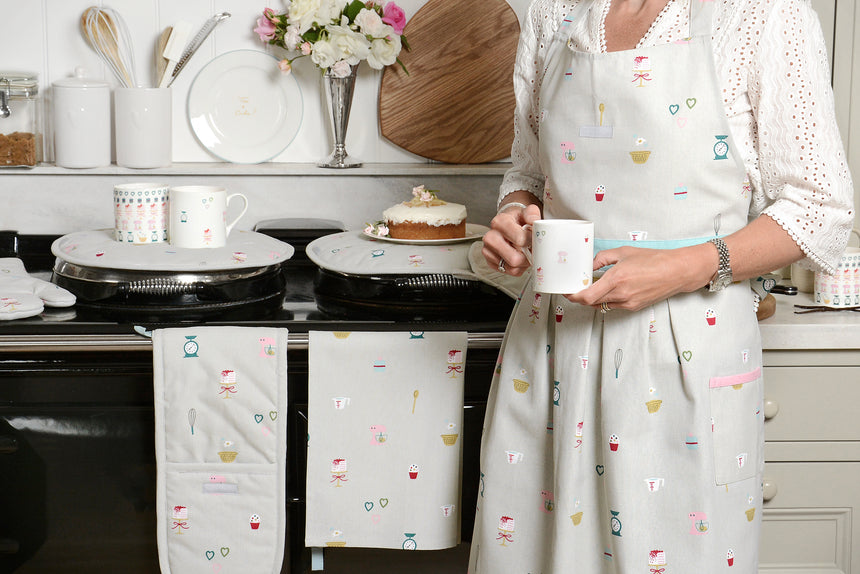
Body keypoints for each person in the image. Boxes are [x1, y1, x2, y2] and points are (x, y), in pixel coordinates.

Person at [469, 0, 854, 572]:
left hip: (686, 354)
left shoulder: (762, 13)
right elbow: (529, 170)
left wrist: (680, 267)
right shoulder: (554, 12)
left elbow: (821, 207)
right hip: (550, 351)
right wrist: (514, 215)